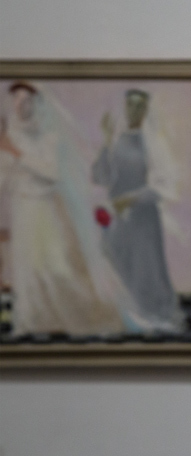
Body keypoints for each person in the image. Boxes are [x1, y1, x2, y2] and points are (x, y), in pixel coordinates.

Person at [0, 82, 124, 335]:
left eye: (26, 101)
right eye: (16, 101)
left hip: (46, 210)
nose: (20, 106)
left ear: (37, 104)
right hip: (23, 209)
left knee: (56, 267)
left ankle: (76, 316)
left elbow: (51, 172)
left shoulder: (49, 136)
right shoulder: (10, 136)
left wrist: (16, 153)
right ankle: (35, 322)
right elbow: (5, 179)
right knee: (28, 270)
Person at [92, 89, 183, 333]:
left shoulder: (153, 143)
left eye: (139, 106)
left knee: (145, 268)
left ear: (145, 110)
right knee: (117, 262)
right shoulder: (118, 140)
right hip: (119, 218)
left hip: (143, 218)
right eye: (129, 105)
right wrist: (106, 140)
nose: (133, 110)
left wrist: (131, 199)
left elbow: (164, 186)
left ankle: (151, 315)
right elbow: (101, 177)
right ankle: (126, 315)